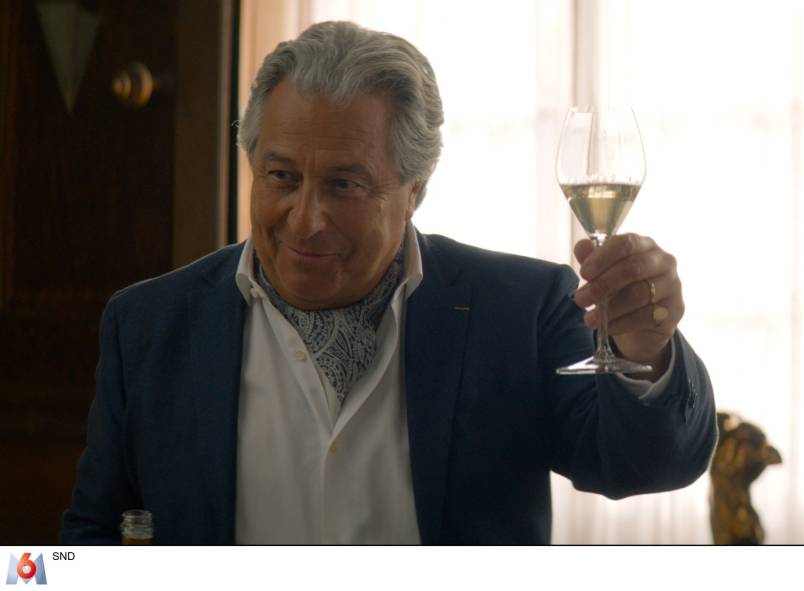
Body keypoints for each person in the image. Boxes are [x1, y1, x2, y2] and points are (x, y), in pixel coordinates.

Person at [61, 21, 717, 545]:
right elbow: (89, 540)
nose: (306, 219)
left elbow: (644, 464)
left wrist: (645, 350)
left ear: (414, 190)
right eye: (282, 177)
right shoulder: (149, 326)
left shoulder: (520, 309)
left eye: (344, 184)